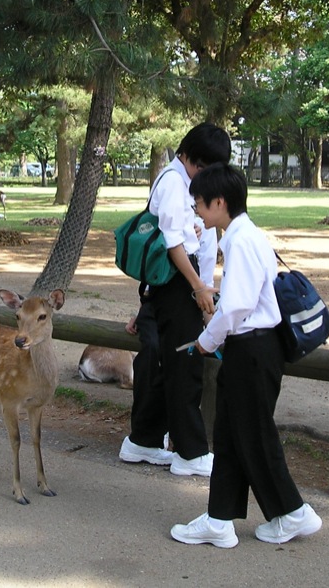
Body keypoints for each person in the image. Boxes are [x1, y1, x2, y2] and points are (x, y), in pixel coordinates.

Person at [171, 163, 321, 548]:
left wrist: (206, 340)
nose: (198, 212)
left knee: (253, 434)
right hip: (256, 346)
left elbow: (236, 306)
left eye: (201, 204)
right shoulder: (246, 236)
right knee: (232, 433)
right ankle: (219, 518)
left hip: (252, 347)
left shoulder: (239, 241)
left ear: (220, 202)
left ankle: (293, 512)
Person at [118, 123, 231, 478]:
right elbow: (172, 244)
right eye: (209, 166)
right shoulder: (171, 182)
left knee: (174, 362)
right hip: (176, 280)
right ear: (194, 158)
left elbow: (192, 234)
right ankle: (190, 452)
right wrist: (198, 285)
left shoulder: (183, 182)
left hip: (180, 280)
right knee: (185, 365)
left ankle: (144, 440)